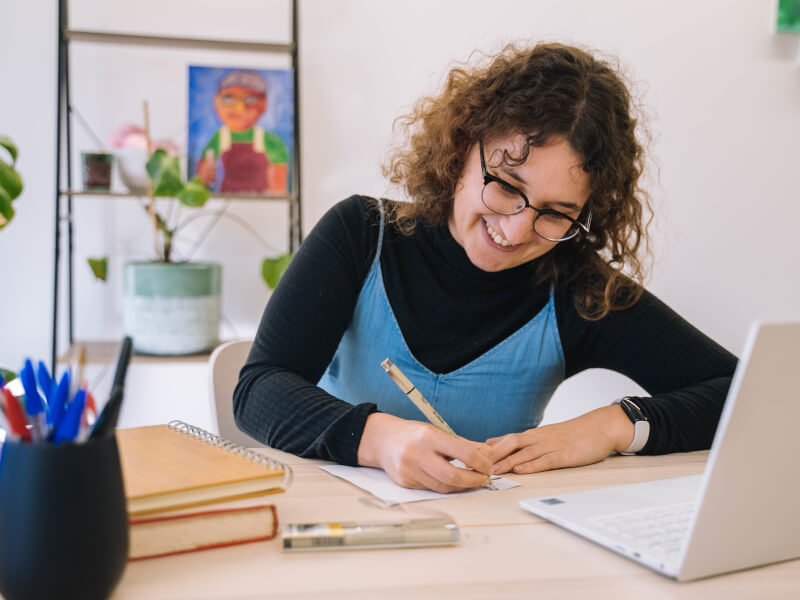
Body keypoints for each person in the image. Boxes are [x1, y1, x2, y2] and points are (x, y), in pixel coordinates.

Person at [233, 43, 736, 493]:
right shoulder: (361, 234)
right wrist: (378, 439)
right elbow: (259, 389)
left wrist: (613, 425)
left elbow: (746, 395)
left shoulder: (577, 288)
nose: (516, 231)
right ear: (462, 146)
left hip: (491, 543)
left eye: (557, 213)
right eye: (508, 186)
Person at [195, 70, 289, 194]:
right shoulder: (219, 137)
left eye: (250, 99)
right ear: (216, 102)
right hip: (226, 200)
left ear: (263, 105)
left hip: (261, 202)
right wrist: (204, 177)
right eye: (228, 98)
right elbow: (201, 180)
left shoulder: (270, 141)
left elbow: (278, 187)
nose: (239, 108)